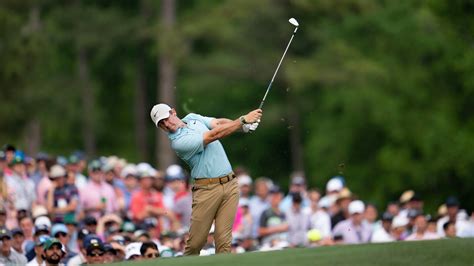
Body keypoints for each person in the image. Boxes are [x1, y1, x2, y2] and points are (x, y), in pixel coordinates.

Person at [150, 103, 262, 255]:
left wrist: (243, 127)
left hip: (230, 185)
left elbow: (217, 123)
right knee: (196, 243)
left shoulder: (192, 118)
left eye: (166, 118)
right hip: (206, 190)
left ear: (173, 112)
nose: (166, 124)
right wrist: (242, 120)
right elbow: (213, 135)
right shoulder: (178, 143)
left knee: (224, 241)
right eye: (161, 124)